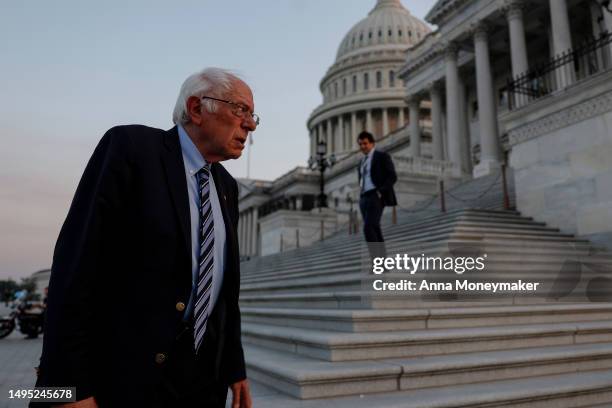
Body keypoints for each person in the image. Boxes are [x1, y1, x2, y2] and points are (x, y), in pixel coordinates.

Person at [32, 68, 256, 408]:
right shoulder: (131, 150)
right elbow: (76, 266)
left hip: (201, 381)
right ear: (197, 109)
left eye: (253, 116)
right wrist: (67, 386)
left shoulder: (226, 187)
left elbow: (225, 292)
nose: (250, 125)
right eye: (240, 110)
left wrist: (233, 366)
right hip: (125, 377)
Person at [356, 131, 397, 257]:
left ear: (372, 143)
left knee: (368, 228)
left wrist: (380, 191)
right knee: (375, 228)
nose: (362, 146)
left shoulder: (381, 156)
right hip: (364, 197)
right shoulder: (361, 162)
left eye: (365, 143)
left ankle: (376, 262)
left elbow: (392, 176)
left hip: (376, 195)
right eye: (360, 144)